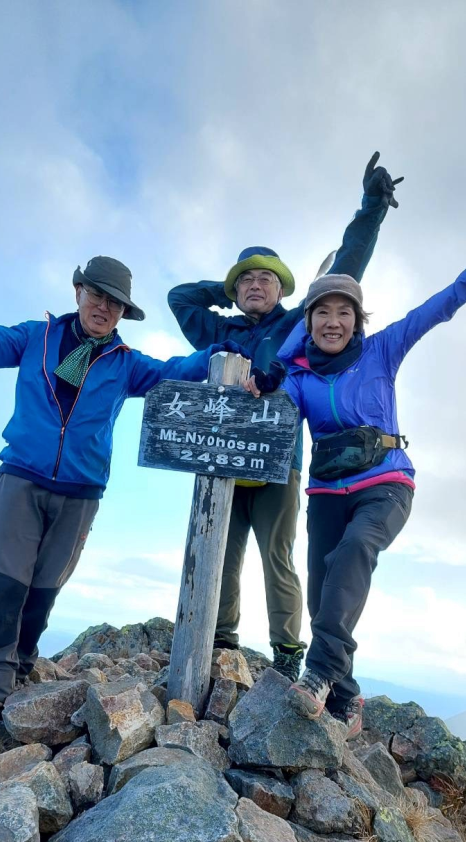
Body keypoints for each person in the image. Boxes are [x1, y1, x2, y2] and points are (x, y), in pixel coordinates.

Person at [0, 256, 242, 730]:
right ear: (77, 291)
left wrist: (216, 353)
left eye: (114, 303)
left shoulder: (125, 364)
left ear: (122, 313)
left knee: (43, 592)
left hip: (80, 491)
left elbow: (175, 370)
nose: (104, 307)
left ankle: (23, 665)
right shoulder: (37, 337)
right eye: (97, 294)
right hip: (22, 477)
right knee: (2, 585)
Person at [245, 208, 466, 737]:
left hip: (386, 484)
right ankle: (346, 699)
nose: (333, 322)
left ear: (358, 320)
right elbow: (275, 394)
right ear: (310, 323)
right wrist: (271, 373)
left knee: (355, 550)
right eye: (322, 313)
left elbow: (444, 304)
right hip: (326, 490)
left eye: (345, 312)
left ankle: (319, 674)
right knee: (323, 591)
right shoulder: (298, 379)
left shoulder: (384, 350)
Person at [168, 153, 404, 680]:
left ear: (282, 290)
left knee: (278, 558)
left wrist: (371, 208)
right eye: (246, 281)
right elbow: (178, 298)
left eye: (266, 280)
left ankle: (286, 651)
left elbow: (347, 266)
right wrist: (223, 290)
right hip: (223, 461)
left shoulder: (297, 326)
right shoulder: (217, 331)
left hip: (279, 461)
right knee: (222, 555)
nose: (255, 287)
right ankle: (222, 641)